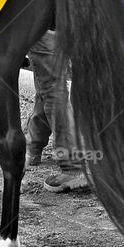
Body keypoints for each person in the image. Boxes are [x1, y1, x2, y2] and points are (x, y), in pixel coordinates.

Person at [23, 31, 89, 192]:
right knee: (46, 82)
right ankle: (33, 146)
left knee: (51, 86)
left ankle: (72, 165)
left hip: (44, 21)